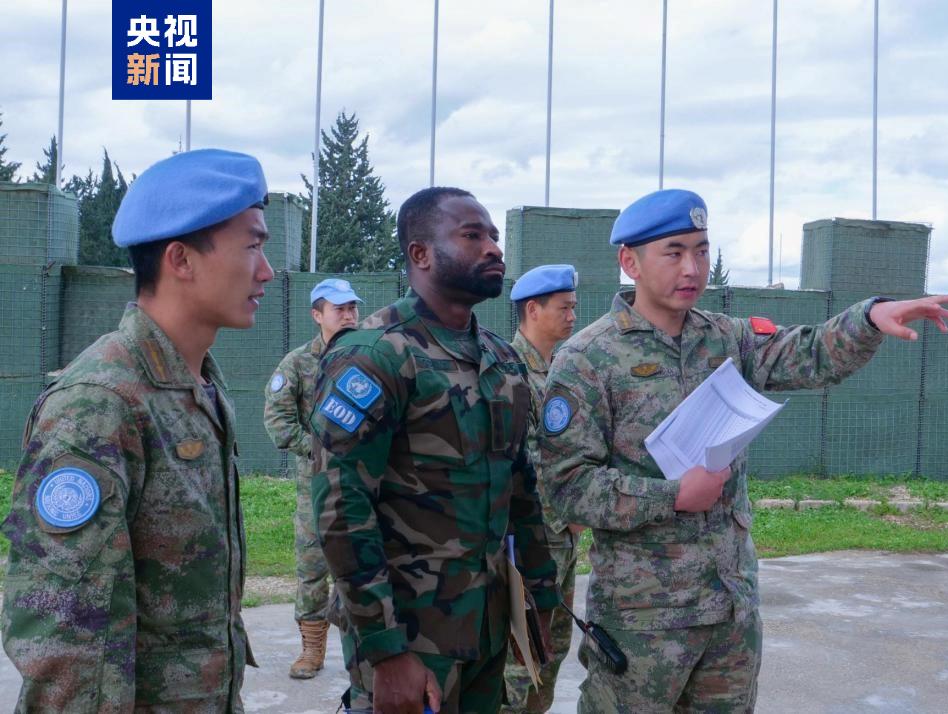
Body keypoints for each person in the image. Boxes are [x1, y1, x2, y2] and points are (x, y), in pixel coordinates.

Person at [538, 188, 948, 712]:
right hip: (642, 623)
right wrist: (672, 496)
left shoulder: (727, 339)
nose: (692, 268)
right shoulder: (587, 358)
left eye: (701, 250)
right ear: (631, 262)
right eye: (674, 252)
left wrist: (869, 318)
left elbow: (811, 353)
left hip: (730, 615)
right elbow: (566, 487)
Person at [1, 148, 274, 711]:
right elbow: (66, 638)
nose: (266, 270)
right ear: (181, 259)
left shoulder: (198, 385)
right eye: (252, 246)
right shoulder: (100, 404)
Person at [310, 186, 560, 714]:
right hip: (411, 639)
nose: (493, 248)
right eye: (472, 235)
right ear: (420, 254)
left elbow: (521, 489)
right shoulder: (376, 355)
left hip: (487, 629)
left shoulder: (500, 360)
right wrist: (385, 650)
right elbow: (341, 510)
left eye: (494, 236)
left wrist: (541, 594)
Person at [264, 277, 363, 679]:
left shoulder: (371, 358)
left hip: (366, 487)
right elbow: (278, 421)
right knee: (312, 568)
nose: (349, 315)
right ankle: (311, 649)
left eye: (352, 307)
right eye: (339, 309)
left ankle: (365, 650)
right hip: (317, 489)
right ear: (317, 315)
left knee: (364, 567)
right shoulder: (298, 364)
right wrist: (321, 449)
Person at [501, 264, 581, 714]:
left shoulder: (562, 371)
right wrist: (570, 509)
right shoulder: (510, 373)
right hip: (531, 545)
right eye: (563, 308)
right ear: (533, 309)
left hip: (563, 539)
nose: (573, 316)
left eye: (573, 307)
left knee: (553, 652)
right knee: (521, 660)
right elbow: (522, 464)